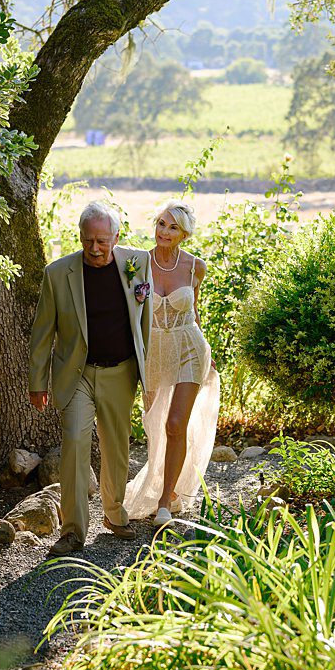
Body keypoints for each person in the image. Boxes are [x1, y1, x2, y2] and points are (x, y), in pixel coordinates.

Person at [27, 201, 152, 555]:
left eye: (101, 241)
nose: (94, 249)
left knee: (117, 447)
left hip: (121, 371)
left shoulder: (138, 263)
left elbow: (146, 321)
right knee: (74, 443)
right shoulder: (57, 274)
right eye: (87, 241)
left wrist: (149, 375)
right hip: (76, 374)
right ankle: (72, 531)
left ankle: (114, 513)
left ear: (116, 237)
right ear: (80, 236)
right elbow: (42, 333)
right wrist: (37, 382)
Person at [123, 202, 221, 525]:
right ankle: (168, 488)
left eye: (173, 227)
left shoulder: (195, 267)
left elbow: (194, 311)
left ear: (184, 235)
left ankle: (165, 502)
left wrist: (208, 352)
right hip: (153, 351)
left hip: (189, 348)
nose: (164, 231)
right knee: (154, 426)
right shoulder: (138, 264)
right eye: (162, 224)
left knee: (175, 424)